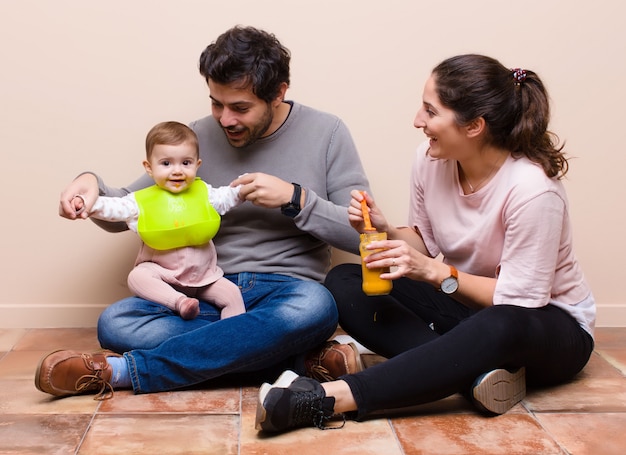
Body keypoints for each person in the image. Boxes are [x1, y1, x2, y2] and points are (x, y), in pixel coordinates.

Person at [255, 54, 596, 433]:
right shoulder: (431, 159)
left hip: (544, 326)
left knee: (501, 323)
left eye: (430, 111)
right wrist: (386, 229)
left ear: (475, 127)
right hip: (467, 309)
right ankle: (473, 376)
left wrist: (436, 272)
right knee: (345, 281)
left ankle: (328, 399)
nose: (418, 121)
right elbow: (427, 242)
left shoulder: (532, 191)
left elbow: (519, 301)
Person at [35, 25, 369, 400]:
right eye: (216, 103)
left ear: (278, 93)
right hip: (202, 292)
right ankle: (295, 360)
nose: (224, 119)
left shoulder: (327, 133)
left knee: (316, 308)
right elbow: (132, 203)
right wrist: (89, 184)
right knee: (116, 322)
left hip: (285, 293)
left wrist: (296, 199)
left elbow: (362, 237)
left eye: (240, 107)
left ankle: (123, 371)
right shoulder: (195, 137)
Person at [71, 121, 246, 320]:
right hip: (164, 278)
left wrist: (243, 188)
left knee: (233, 295)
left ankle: (232, 338)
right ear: (149, 167)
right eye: (166, 163)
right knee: (137, 277)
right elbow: (114, 207)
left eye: (186, 163)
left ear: (197, 164)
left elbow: (228, 197)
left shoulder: (205, 193)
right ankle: (180, 303)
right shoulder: (140, 201)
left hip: (204, 277)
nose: (177, 170)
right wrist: (86, 203)